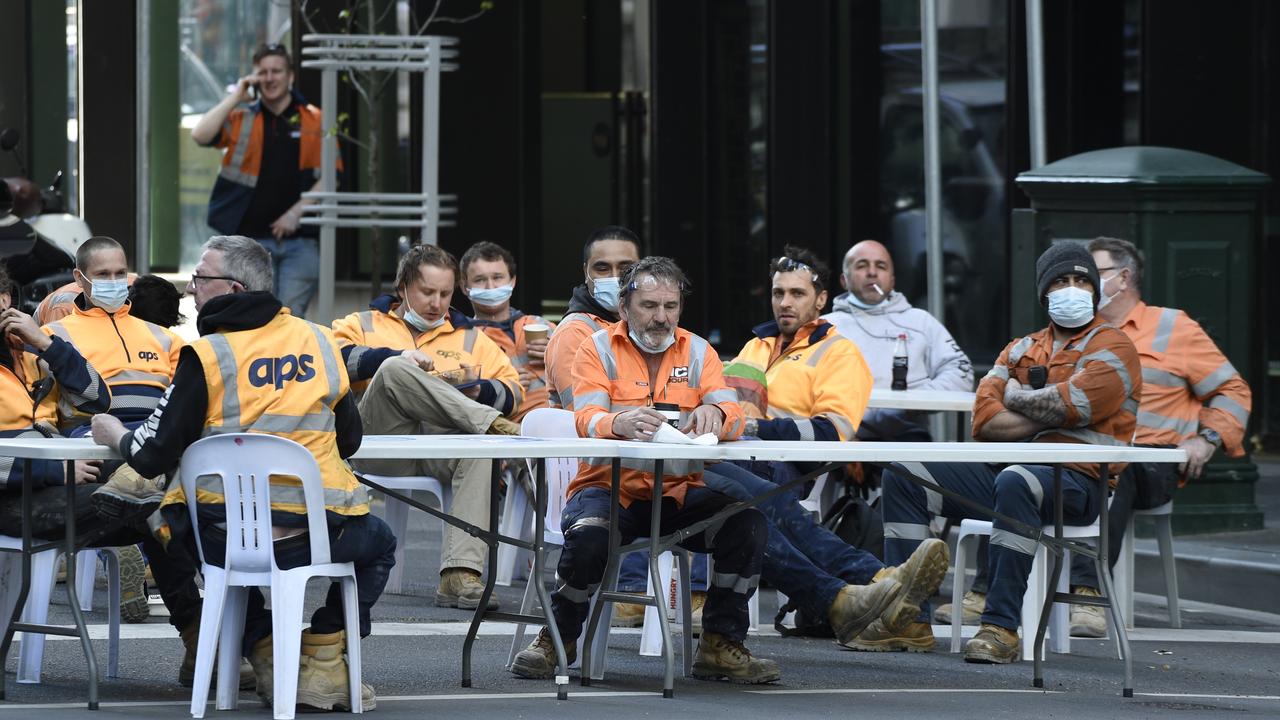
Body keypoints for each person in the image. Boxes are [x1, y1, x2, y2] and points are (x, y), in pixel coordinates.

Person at [90, 235, 387, 711]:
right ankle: (324, 657)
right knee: (381, 543)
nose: (190, 290)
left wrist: (111, 434)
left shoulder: (206, 356)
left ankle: (263, 645)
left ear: (231, 287)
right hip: (317, 532)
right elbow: (349, 441)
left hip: (225, 536)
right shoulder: (321, 341)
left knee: (176, 530)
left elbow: (151, 455)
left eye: (200, 279)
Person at [511, 256, 784, 684]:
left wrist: (716, 412)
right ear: (624, 307)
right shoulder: (595, 348)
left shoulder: (699, 350)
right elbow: (584, 417)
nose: (661, 317)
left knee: (745, 524)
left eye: (670, 307)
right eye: (649, 306)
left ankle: (719, 644)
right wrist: (616, 422)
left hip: (676, 491)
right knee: (588, 538)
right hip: (607, 486)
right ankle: (558, 638)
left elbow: (733, 409)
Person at [880, 242, 1142, 663]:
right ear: (1044, 293)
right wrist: (1050, 413)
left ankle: (1000, 626)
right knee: (904, 473)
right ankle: (905, 616)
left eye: (1080, 280)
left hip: (1079, 483)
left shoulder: (1115, 347)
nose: (1071, 289)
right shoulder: (1020, 348)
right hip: (1009, 475)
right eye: (1061, 281)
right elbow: (984, 419)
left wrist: (1018, 398)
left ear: (1094, 290)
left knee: (1017, 478)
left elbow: (1081, 405)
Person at [0, 258, 235, 689]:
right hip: (15, 500)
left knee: (157, 504)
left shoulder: (28, 358)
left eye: (3, 297)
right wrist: (54, 468)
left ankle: (208, 640)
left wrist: (46, 345)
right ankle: (215, 640)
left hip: (63, 489)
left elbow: (95, 398)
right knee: (156, 502)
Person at [722, 246, 948, 652]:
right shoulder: (754, 345)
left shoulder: (840, 351)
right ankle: (881, 584)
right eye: (778, 293)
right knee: (738, 498)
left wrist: (760, 427)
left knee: (740, 500)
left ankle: (868, 590)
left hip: (789, 466)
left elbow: (834, 432)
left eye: (797, 294)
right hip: (732, 454)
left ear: (821, 299)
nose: (785, 303)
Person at [1063, 237, 1252, 637]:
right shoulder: (1073, 331)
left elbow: (1233, 391)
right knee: (1021, 471)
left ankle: (1087, 594)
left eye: (1089, 276)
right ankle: (986, 593)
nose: (1079, 286)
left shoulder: (1173, 327)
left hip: (1150, 460)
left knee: (1112, 467)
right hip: (1080, 452)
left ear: (1122, 277)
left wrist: (1207, 439)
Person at [332, 243, 523, 611]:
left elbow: (513, 392)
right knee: (394, 370)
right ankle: (491, 425)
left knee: (480, 448)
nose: (437, 303)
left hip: (438, 448)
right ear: (403, 286)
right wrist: (392, 357)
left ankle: (460, 574)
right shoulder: (361, 323)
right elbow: (331, 363)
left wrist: (481, 390)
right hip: (377, 445)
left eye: (445, 294)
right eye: (427, 292)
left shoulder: (471, 337)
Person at [541, 227, 695, 626]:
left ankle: (835, 586)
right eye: (602, 267)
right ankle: (569, 628)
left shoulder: (684, 343)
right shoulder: (579, 335)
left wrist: (718, 415)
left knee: (751, 502)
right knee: (607, 520)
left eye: (625, 267)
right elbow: (591, 420)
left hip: (668, 473)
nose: (614, 276)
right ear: (587, 274)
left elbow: (708, 401)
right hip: (600, 474)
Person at [191, 43, 335, 319]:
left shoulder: (313, 119)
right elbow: (200, 134)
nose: (270, 78)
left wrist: (295, 213)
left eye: (277, 71)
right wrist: (236, 97)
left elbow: (330, 176)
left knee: (290, 317)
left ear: (290, 76)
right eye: (263, 72)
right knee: (250, 315)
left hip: (299, 241)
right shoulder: (243, 116)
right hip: (248, 241)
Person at [822, 239, 973, 440]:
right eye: (862, 265)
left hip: (908, 437)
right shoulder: (824, 327)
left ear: (892, 280)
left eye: (880, 266)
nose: (872, 273)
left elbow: (960, 371)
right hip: (842, 439)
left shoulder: (921, 321)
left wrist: (913, 403)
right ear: (844, 280)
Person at [459, 241, 555, 422]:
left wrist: (555, 354)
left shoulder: (542, 324)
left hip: (564, 422)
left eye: (497, 277)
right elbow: (459, 397)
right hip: (509, 433)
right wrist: (502, 382)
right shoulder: (462, 337)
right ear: (465, 287)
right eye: (480, 280)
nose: (490, 287)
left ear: (512, 281)